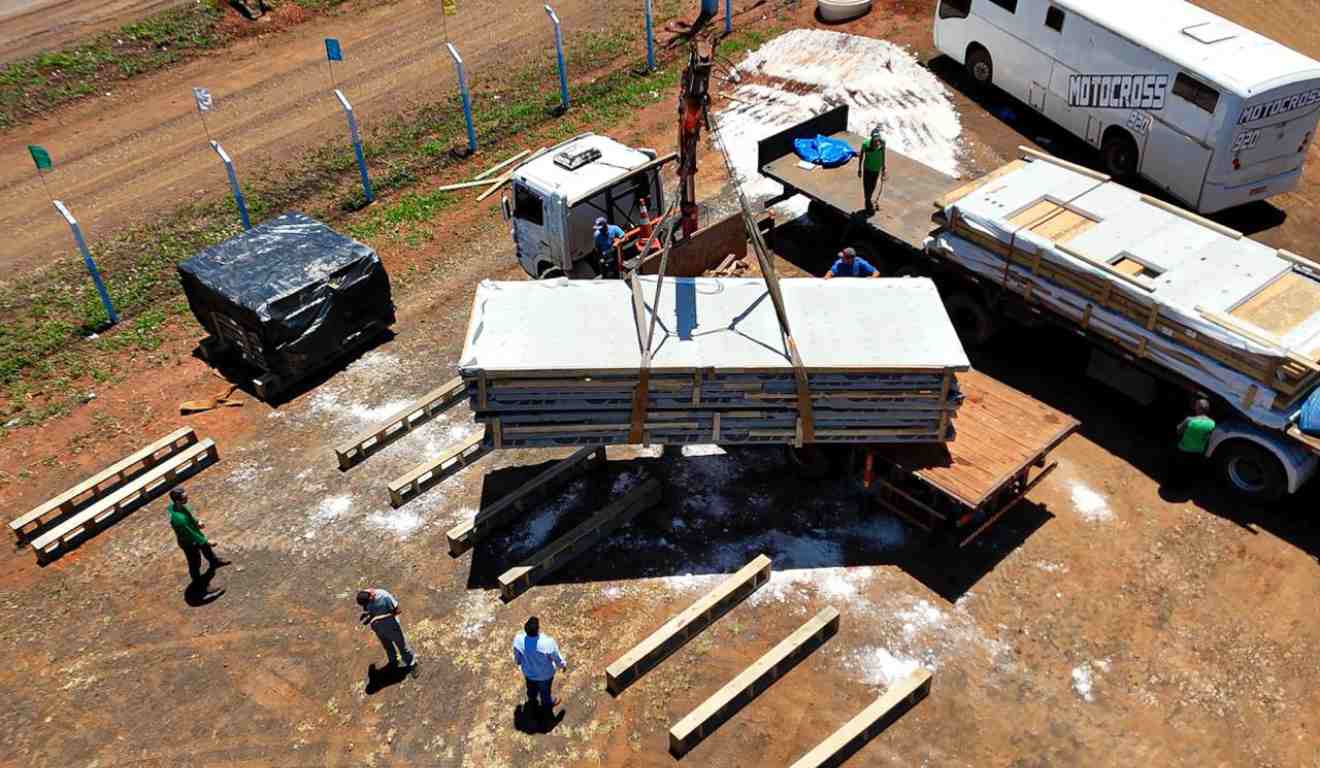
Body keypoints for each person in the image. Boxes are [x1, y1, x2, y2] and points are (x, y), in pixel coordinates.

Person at [168, 487, 229, 583]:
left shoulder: (178, 507)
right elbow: (191, 534)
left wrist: (197, 522)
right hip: (188, 543)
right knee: (195, 563)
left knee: (206, 549)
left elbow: (188, 517)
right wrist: (207, 541)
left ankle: (214, 562)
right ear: (177, 500)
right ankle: (199, 584)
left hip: (194, 535)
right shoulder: (179, 520)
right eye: (185, 497)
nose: (187, 498)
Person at [357, 588, 418, 676]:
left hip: (391, 625)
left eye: (370, 600)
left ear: (370, 596)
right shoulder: (365, 597)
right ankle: (393, 661)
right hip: (378, 627)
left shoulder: (384, 596)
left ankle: (412, 664)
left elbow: (397, 611)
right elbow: (370, 610)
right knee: (387, 645)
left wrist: (378, 617)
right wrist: (369, 615)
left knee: (402, 646)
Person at [513, 616, 567, 715]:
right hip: (545, 675)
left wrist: (520, 663)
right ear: (538, 629)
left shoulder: (518, 640)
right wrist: (563, 665)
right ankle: (547, 705)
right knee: (545, 691)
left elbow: (517, 657)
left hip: (528, 673)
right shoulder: (547, 642)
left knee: (531, 688)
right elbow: (556, 658)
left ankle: (532, 701)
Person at [1171, 398, 1216, 487]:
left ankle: (1176, 485)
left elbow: (1178, 431)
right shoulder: (1212, 423)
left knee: (1179, 468)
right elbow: (1208, 437)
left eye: (1196, 406)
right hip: (1198, 452)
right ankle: (1187, 486)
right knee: (1191, 470)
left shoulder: (1189, 420)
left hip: (1183, 449)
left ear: (1198, 408)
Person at [858, 127, 888, 214]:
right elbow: (861, 156)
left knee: (873, 186)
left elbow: (883, 154)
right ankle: (868, 204)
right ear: (871, 139)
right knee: (866, 187)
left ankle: (868, 201)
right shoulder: (865, 144)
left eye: (877, 140)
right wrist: (859, 169)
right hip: (867, 169)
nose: (876, 142)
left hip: (876, 169)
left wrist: (883, 167)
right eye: (875, 140)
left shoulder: (882, 143)